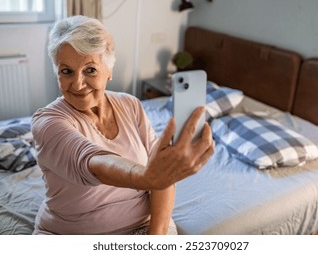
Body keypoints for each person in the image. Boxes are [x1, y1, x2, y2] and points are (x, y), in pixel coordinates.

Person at [31, 15, 214, 235]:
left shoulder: (130, 105)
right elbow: (93, 161)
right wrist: (146, 178)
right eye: (66, 71)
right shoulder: (47, 122)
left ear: (108, 71)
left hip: (145, 226)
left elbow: (162, 176)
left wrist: (155, 238)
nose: (78, 84)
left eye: (90, 70)